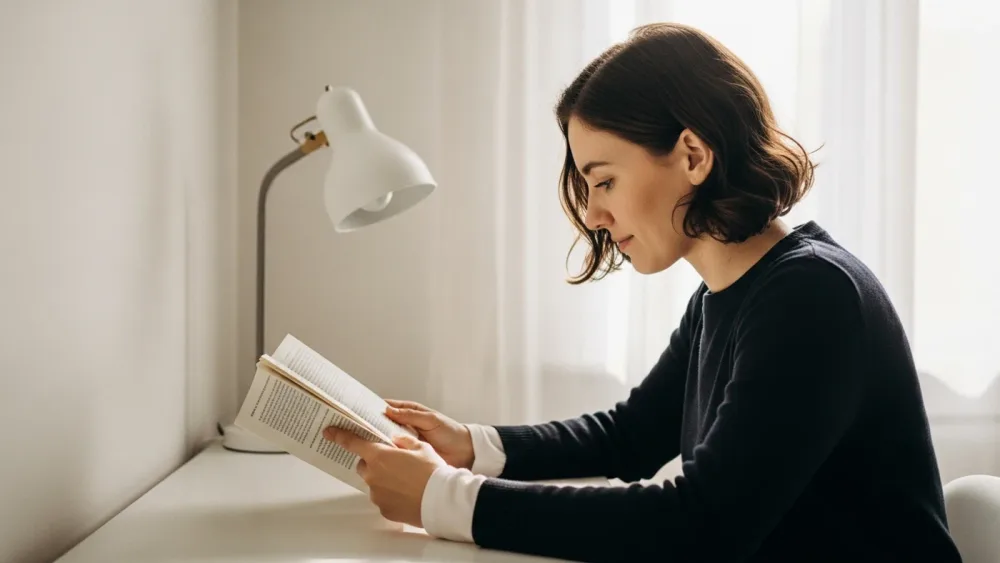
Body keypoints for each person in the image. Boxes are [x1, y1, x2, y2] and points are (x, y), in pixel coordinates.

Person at [323, 22, 963, 562]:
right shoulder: (729, 292)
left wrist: (445, 497)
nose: (595, 215)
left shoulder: (813, 297)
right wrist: (470, 444)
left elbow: (703, 522)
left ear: (691, 154)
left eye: (603, 181)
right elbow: (630, 436)